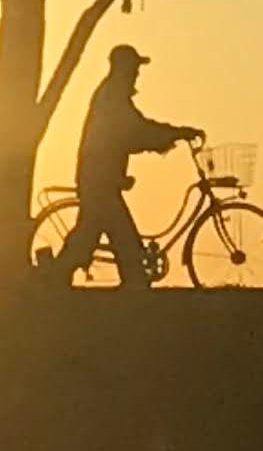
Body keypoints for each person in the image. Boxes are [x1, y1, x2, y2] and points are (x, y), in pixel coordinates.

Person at [49, 43, 200, 286]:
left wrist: (171, 135)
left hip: (99, 178)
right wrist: (176, 133)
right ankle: (131, 285)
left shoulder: (111, 94)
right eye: (135, 68)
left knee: (90, 234)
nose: (137, 74)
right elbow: (136, 131)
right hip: (100, 180)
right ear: (124, 69)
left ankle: (55, 276)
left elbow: (133, 133)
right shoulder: (113, 97)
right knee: (120, 237)